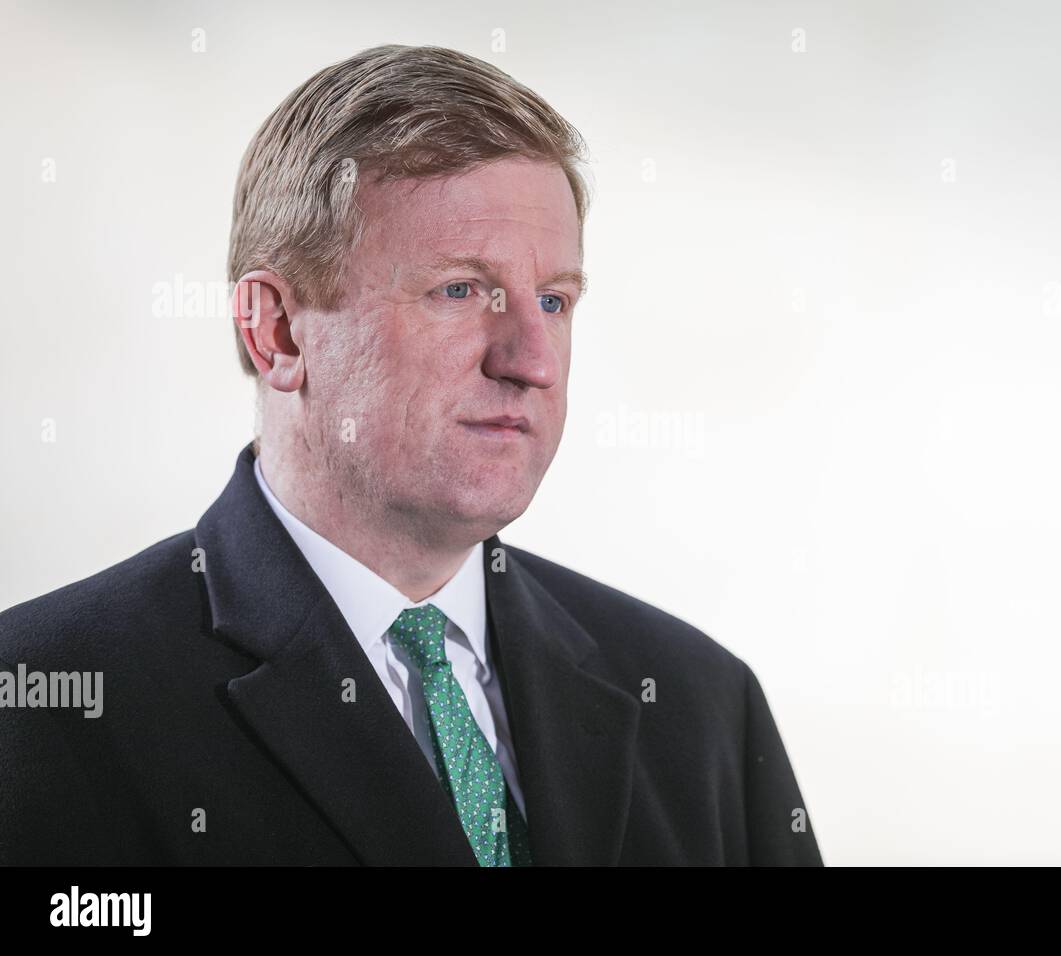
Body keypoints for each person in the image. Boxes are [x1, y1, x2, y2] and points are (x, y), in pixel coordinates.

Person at [0, 44, 822, 866]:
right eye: (459, 290)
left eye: (553, 300)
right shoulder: (42, 708)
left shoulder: (703, 704)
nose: (530, 360)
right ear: (278, 330)